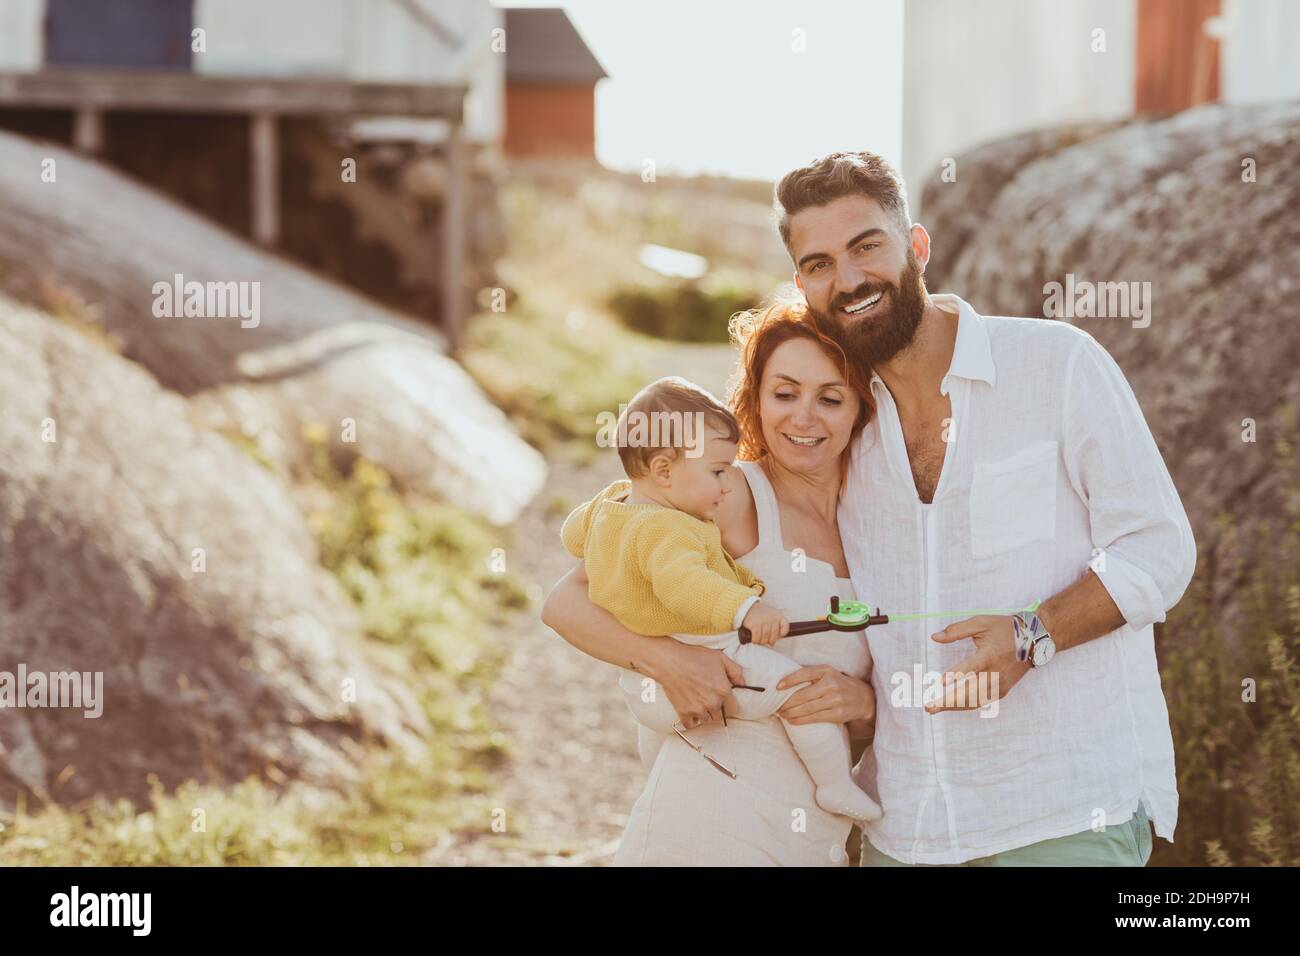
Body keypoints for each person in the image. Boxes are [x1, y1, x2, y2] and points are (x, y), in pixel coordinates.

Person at [776, 150, 1197, 865]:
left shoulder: (1056, 364)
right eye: (819, 264)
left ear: (916, 247)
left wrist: (1036, 632)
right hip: (904, 826)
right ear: (802, 286)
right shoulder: (837, 427)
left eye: (865, 247)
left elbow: (1159, 548)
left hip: (1062, 811)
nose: (846, 280)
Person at [542, 302, 879, 864]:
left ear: (858, 409)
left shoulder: (882, 521)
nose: (804, 417)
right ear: (755, 401)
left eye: (830, 397)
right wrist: (666, 661)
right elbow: (564, 603)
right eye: (784, 393)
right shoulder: (720, 493)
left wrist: (863, 704)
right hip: (707, 816)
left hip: (815, 838)